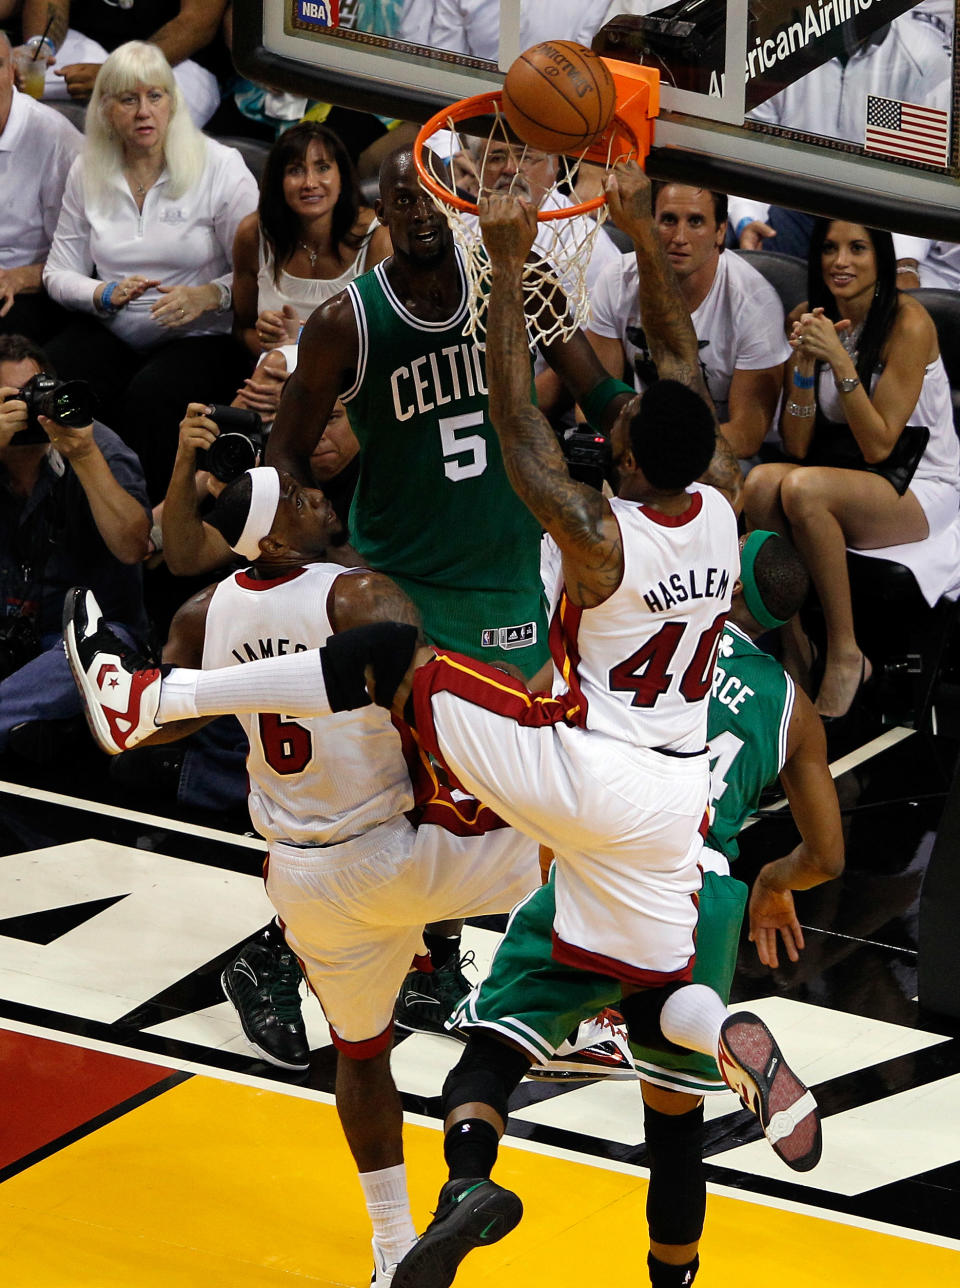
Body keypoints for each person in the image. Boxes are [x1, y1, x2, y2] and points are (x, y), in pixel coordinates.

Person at [63, 168, 817, 1268]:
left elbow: (519, 425)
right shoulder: (713, 505)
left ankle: (150, 703)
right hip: (669, 812)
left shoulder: (582, 545)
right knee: (656, 995)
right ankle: (710, 1031)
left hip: (514, 794)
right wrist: (641, 245)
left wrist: (508, 270)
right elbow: (673, 363)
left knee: (381, 661)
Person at [66, 463, 541, 1286]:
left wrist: (137, 706)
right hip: (399, 855)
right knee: (589, 846)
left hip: (304, 878)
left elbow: (172, 730)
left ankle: (392, 1249)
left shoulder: (202, 614)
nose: (317, 495)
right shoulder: (358, 595)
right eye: (296, 498)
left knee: (361, 1052)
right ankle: (588, 1014)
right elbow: (429, 703)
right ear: (278, 538)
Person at [407, 530, 844, 1288]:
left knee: (493, 1049)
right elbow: (829, 858)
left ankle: (469, 1180)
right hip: (705, 895)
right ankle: (714, 1042)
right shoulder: (790, 706)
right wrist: (772, 881)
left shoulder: (638, 639)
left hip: (613, 852)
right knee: (675, 1132)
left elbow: (550, 734)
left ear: (722, 582)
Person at [743, 218, 960, 720]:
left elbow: (881, 444)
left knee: (802, 491)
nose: (842, 261)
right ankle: (794, 645)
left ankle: (846, 650)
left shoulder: (909, 324)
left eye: (857, 248)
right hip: (845, 473)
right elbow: (796, 444)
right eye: (830, 249)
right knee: (760, 485)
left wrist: (840, 361)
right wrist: (801, 365)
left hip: (922, 482)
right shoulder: (813, 318)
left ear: (881, 258)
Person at [42, 40, 257, 501]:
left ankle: (154, 523)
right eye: (128, 99)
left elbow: (262, 270)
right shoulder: (88, 168)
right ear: (105, 109)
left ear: (173, 102)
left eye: (155, 96)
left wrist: (209, 295)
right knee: (55, 380)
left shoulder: (220, 167)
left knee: (151, 399)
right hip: (114, 327)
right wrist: (102, 293)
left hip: (201, 336)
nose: (144, 112)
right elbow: (58, 273)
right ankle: (66, 507)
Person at [0, 333, 149, 763]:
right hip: (10, 631)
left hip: (82, 640)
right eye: (13, 398)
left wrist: (84, 457)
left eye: (36, 394)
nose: (28, 411)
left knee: (103, 649)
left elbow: (132, 547)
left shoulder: (98, 446)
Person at [586, 182, 790, 461]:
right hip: (641, 442)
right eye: (669, 220)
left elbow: (746, 435)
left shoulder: (755, 303)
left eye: (695, 221)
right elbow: (595, 396)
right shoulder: (617, 279)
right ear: (650, 223)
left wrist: (661, 449)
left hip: (724, 453)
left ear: (720, 232)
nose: (679, 237)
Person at [231, 121, 392, 360]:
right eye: (295, 170)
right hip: (272, 378)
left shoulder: (378, 238)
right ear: (279, 181)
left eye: (323, 167)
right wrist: (270, 344)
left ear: (342, 177)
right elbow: (242, 329)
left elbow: (383, 343)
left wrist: (293, 353)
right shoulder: (252, 235)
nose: (310, 183)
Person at [15, 0, 226, 126]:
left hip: (174, 58)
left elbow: (197, 24)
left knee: (149, 117)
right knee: (17, 83)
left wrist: (119, 74)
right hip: (87, 41)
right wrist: (39, 48)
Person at [0, 31, 81, 343]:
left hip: (29, 290)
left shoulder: (57, 142)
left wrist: (18, 278)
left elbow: (84, 257)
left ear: (13, 73)